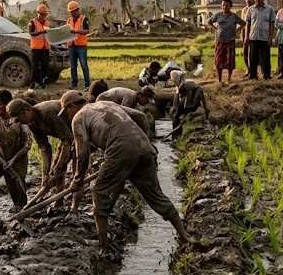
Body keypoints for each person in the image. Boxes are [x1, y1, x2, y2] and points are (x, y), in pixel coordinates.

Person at [59, 91, 192, 248]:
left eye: (66, 112)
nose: (67, 116)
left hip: (121, 149)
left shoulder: (78, 118)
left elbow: (82, 155)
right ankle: (184, 235)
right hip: (143, 147)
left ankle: (103, 244)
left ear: (72, 106)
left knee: (99, 192)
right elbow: (141, 117)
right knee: (155, 194)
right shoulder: (108, 104)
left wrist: (78, 180)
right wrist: (146, 142)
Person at [10, 98, 75, 199]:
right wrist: (45, 175)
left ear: (26, 111)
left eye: (19, 119)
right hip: (66, 137)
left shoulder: (47, 113)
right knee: (55, 169)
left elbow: (68, 140)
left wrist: (59, 166)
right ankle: (59, 198)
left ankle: (76, 198)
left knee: (64, 168)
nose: (20, 123)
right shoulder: (31, 123)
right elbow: (44, 148)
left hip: (77, 132)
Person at [207, 0, 246, 83]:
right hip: (219, 40)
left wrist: (236, 31)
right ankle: (220, 79)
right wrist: (215, 29)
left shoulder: (234, 16)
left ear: (230, 6)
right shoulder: (218, 15)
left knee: (230, 60)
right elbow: (209, 21)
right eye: (223, 5)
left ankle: (229, 78)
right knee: (219, 60)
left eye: (227, 5)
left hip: (230, 40)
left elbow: (243, 23)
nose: (225, 7)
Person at [243, 0, 276, 80]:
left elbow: (272, 23)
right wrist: (246, 36)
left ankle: (267, 75)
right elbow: (248, 23)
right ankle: (253, 75)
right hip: (253, 37)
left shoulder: (270, 9)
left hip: (265, 37)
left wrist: (270, 37)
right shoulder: (251, 9)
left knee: (265, 58)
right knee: (253, 58)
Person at [65, 0, 91, 89]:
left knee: (84, 65)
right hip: (71, 45)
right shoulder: (69, 20)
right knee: (73, 66)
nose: (72, 13)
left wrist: (77, 31)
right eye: (70, 12)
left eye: (73, 11)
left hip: (81, 46)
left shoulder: (84, 19)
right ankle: (74, 84)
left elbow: (87, 31)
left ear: (77, 10)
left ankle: (87, 84)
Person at [27, 3, 52, 89]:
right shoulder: (32, 22)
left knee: (45, 66)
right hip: (36, 48)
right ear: (38, 13)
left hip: (45, 48)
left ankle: (42, 82)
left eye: (44, 14)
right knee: (35, 66)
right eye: (41, 14)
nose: (43, 16)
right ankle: (32, 83)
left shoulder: (48, 23)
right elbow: (31, 33)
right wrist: (41, 32)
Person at [240, 0, 255, 76]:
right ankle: (248, 70)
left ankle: (253, 71)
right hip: (245, 33)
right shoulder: (244, 10)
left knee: (253, 54)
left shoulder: (255, 9)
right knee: (245, 53)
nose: (249, 0)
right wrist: (243, 35)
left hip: (253, 34)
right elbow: (243, 23)